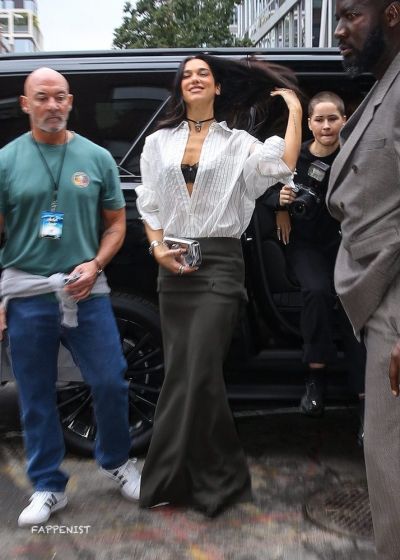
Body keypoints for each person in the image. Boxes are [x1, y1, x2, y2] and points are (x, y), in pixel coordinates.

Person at [135, 54, 303, 516]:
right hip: (173, 265)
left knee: (200, 369)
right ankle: (216, 479)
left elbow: (283, 163)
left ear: (217, 87)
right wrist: (157, 248)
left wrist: (295, 110)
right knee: (186, 374)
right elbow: (149, 202)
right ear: (180, 87)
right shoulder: (158, 143)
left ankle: (177, 478)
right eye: (187, 74)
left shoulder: (238, 143)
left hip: (221, 266)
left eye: (203, 73)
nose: (194, 79)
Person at [0, 67, 141, 527]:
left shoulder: (96, 158)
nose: (52, 105)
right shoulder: (6, 161)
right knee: (35, 393)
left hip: (86, 290)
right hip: (27, 292)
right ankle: (48, 485)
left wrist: (95, 264)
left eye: (60, 96)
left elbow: (115, 224)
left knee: (110, 380)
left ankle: (117, 461)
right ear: (26, 104)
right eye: (42, 97)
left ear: (70, 101)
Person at [326, 1, 400, 558]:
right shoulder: (383, 85)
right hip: (379, 298)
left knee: (392, 462)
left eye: (351, 14)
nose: (338, 30)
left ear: (392, 13)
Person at [261, 92, 365, 417]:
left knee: (352, 301)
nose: (326, 126)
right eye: (319, 119)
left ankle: (365, 398)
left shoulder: (354, 155)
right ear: (309, 123)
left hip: (346, 243)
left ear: (345, 121)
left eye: (333, 119)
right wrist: (280, 203)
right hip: (306, 244)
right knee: (317, 291)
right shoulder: (297, 156)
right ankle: (316, 377)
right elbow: (266, 187)